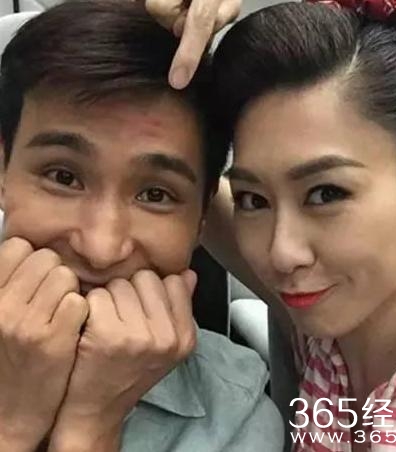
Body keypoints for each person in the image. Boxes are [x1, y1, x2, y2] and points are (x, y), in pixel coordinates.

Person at [0, 1, 284, 451]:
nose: (100, 248)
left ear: (202, 217)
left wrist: (89, 429)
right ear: (3, 170)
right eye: (64, 177)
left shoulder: (236, 419)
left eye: (155, 195)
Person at [208, 0, 396, 450]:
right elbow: (180, 184)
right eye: (254, 200)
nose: (281, 255)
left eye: (326, 194)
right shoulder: (324, 323)